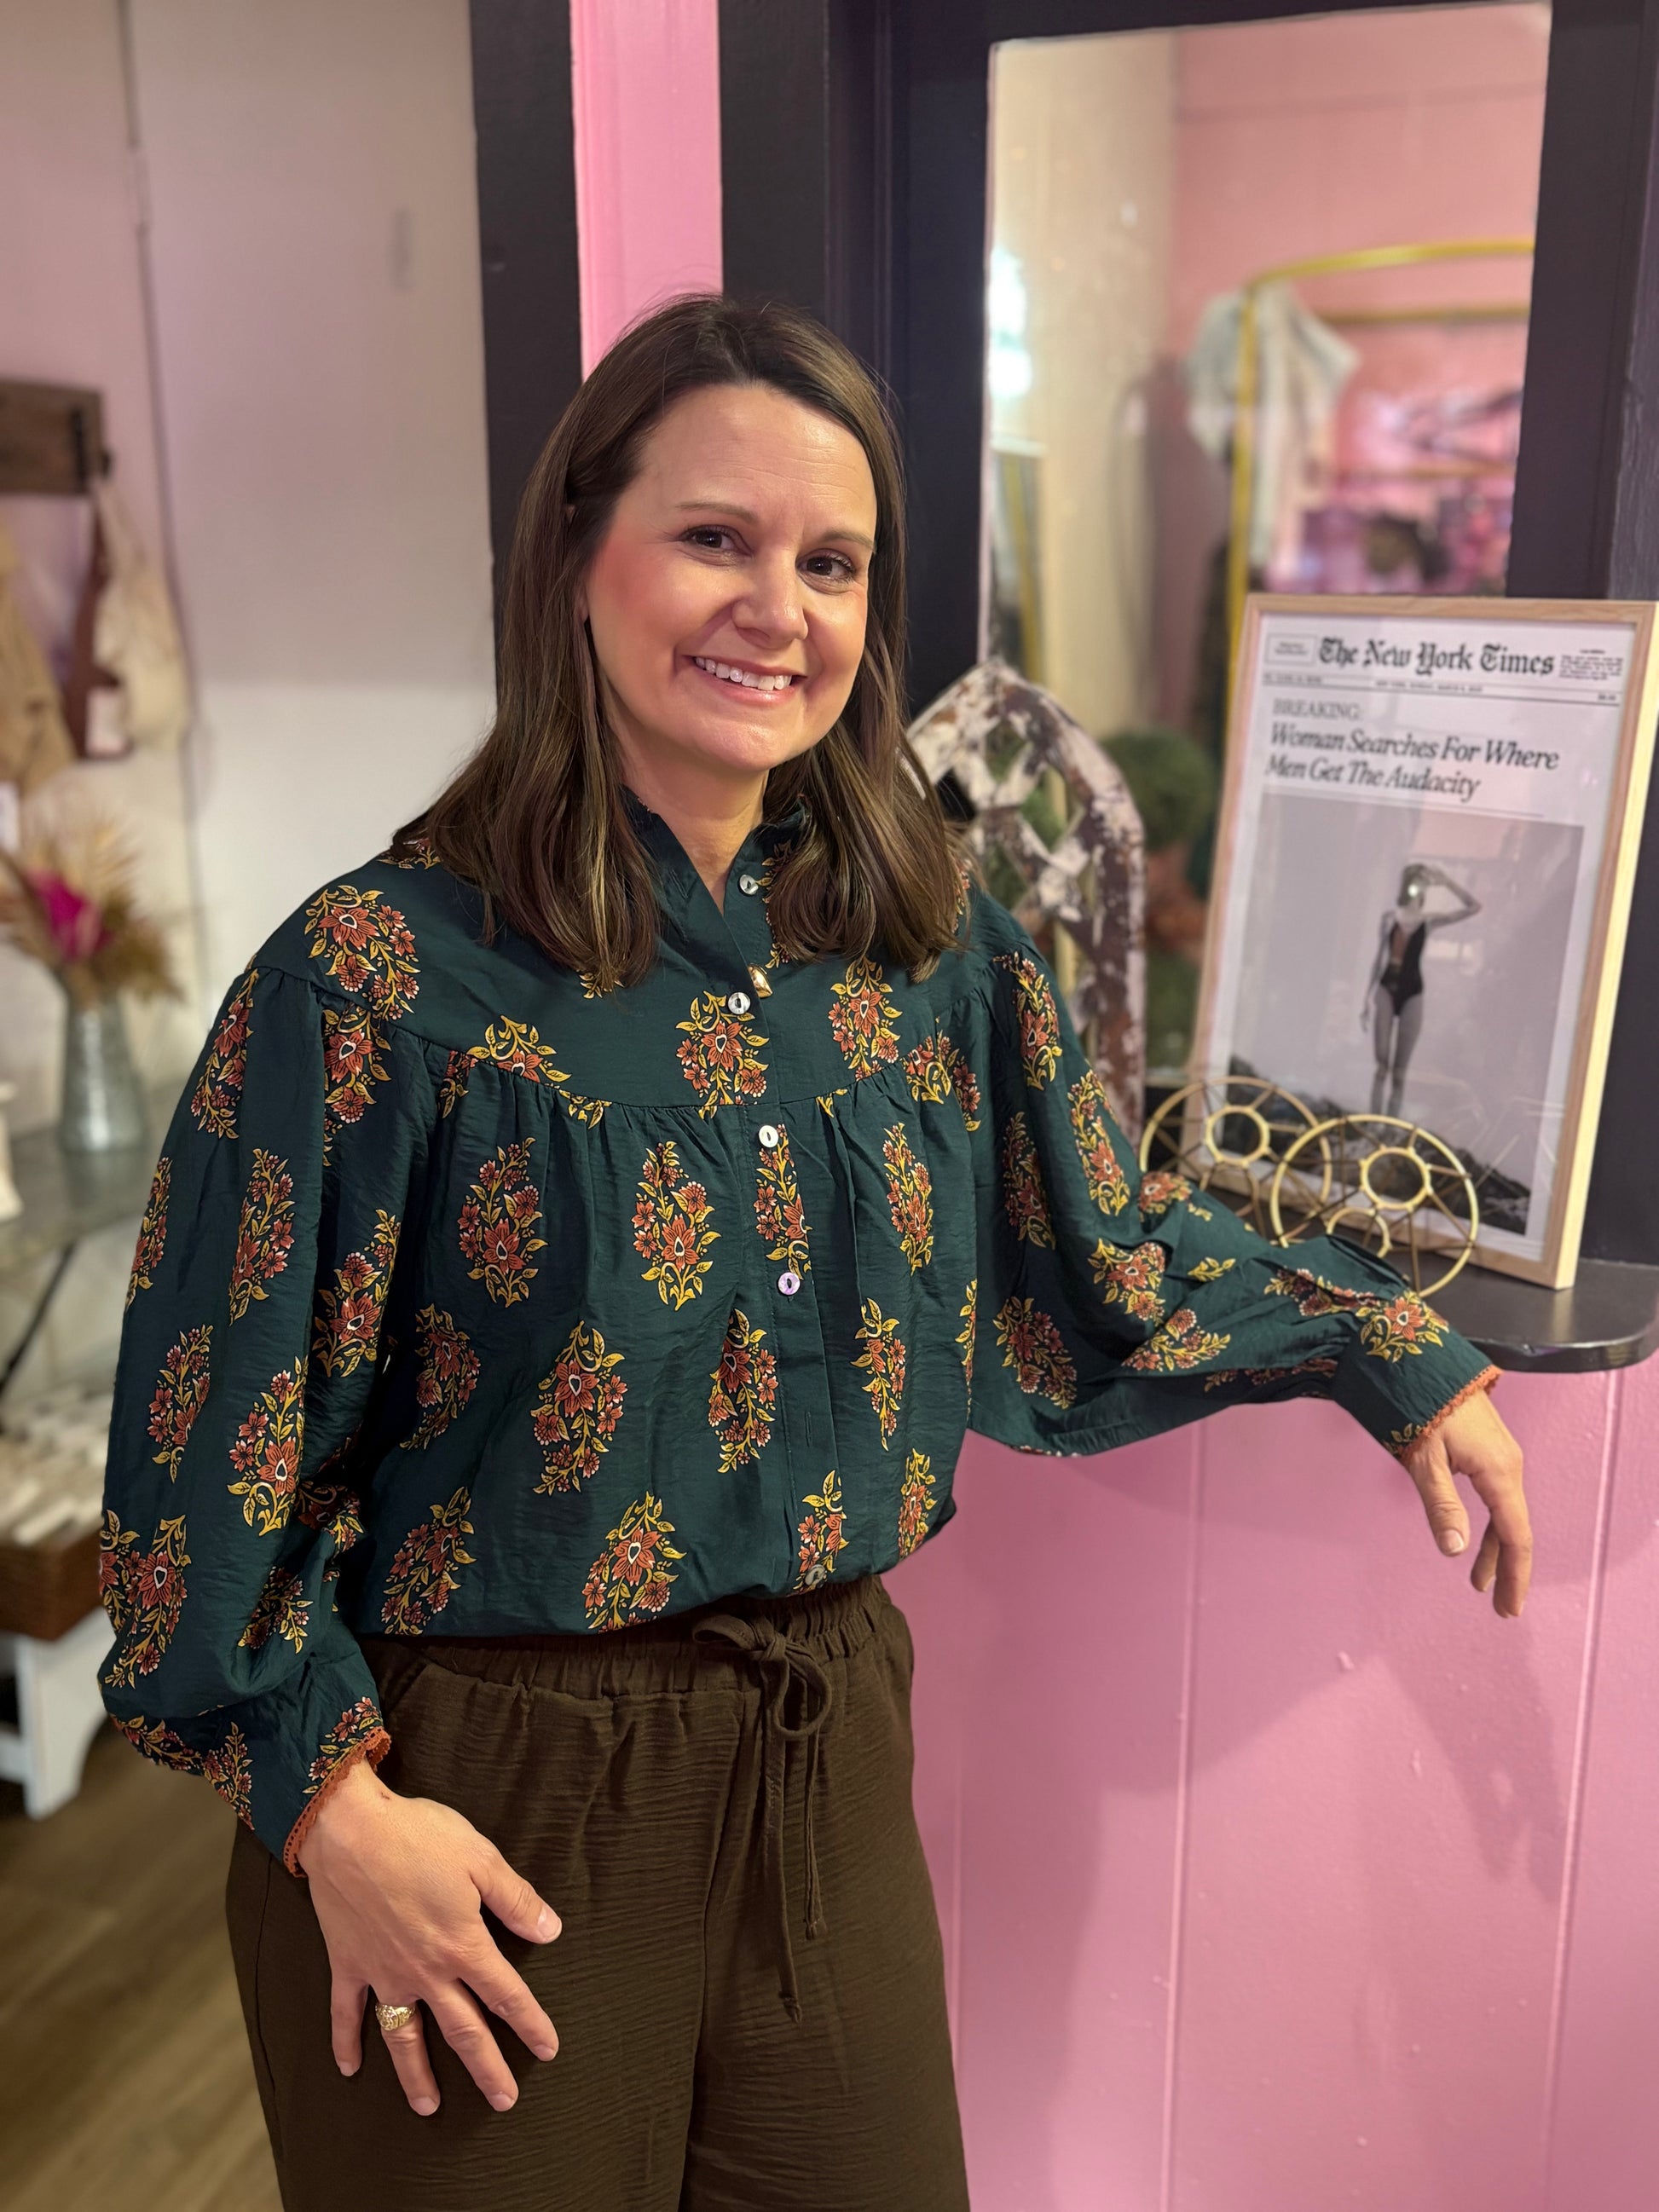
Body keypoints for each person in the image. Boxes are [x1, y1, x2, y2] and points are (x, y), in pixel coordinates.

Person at [98, 296, 1530, 2212]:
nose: (778, 608)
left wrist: (1390, 1348)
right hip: (475, 1797)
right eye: (716, 536)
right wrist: (331, 1815)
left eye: (832, 562)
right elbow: (199, 1469)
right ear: (578, 556)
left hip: (822, 1752)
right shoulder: (372, 980)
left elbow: (1099, 1250)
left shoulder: (925, 947)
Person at [1364, 860, 1483, 1117]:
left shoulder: (1427, 921)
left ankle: (1391, 1123)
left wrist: (1447, 882)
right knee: (1382, 1065)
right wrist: (1366, 1000)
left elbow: (1474, 907)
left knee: (1399, 1071)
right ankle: (1373, 1119)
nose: (1416, 889)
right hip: (1387, 987)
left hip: (1412, 992)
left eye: (1421, 884)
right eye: (1414, 883)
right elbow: (1378, 959)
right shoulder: (1389, 920)